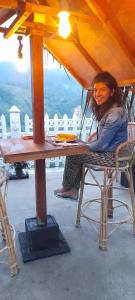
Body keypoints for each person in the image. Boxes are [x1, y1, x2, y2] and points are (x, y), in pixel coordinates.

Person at [54, 71, 128, 200]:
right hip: (109, 153)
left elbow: (101, 145)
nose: (97, 94)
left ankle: (68, 187)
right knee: (77, 151)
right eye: (95, 90)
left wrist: (80, 145)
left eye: (102, 90)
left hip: (111, 157)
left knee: (74, 154)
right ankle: (73, 189)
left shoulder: (114, 113)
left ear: (112, 92)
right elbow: (102, 139)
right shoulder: (111, 110)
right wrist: (80, 143)